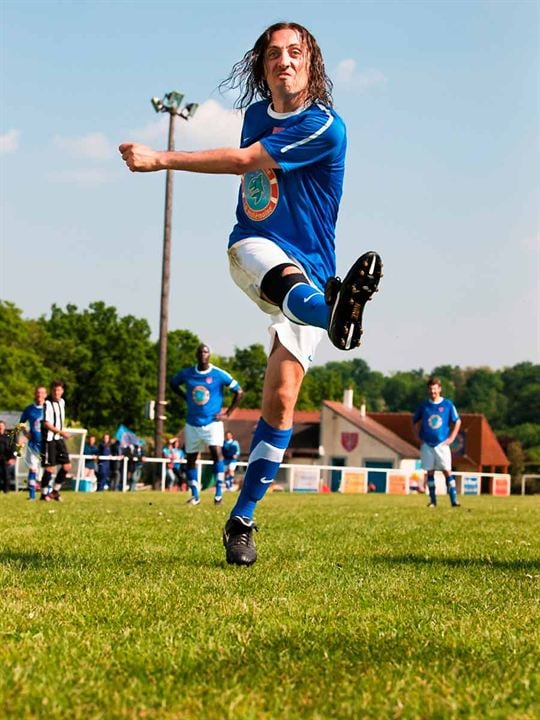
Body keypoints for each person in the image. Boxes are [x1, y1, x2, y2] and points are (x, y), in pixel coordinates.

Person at [120, 22, 382, 565]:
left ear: (312, 63)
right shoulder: (256, 116)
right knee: (281, 275)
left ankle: (241, 520)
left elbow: (244, 164)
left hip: (315, 270)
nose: (283, 61)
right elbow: (252, 179)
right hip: (254, 247)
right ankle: (333, 311)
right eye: (272, 54)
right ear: (261, 66)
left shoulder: (325, 126)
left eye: (295, 52)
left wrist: (160, 158)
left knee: (282, 399)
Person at [170, 344, 243, 506]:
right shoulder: (188, 373)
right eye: (200, 352)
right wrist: (185, 397)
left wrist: (227, 413)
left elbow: (239, 391)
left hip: (213, 423)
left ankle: (218, 495)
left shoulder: (218, 374)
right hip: (192, 423)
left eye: (206, 351)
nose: (203, 354)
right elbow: (173, 383)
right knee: (191, 458)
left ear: (209, 355)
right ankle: (195, 495)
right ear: (196, 355)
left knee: (217, 453)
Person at [412, 377, 462, 508]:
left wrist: (451, 438)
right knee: (429, 472)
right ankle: (432, 501)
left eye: (434, 389)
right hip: (427, 444)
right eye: (430, 389)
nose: (432, 392)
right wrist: (418, 437)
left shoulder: (447, 405)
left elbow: (457, 421)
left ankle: (454, 500)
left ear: (439, 389)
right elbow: (414, 421)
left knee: (447, 470)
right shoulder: (424, 406)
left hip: (442, 444)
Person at [40, 380, 72, 502]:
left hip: (58, 439)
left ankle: (55, 491)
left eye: (58, 390)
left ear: (62, 391)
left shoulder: (62, 402)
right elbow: (46, 423)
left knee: (67, 466)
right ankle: (43, 494)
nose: (56, 392)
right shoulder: (47, 404)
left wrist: (60, 433)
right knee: (49, 468)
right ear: (51, 391)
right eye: (54, 390)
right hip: (49, 440)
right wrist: (61, 432)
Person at [19, 385, 47, 499]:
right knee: (32, 469)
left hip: (47, 444)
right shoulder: (29, 409)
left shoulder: (49, 408)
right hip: (33, 444)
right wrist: (26, 433)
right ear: (35, 394)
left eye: (42, 393)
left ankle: (46, 493)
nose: (39, 395)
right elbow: (21, 423)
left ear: (45, 395)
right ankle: (32, 495)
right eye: (37, 393)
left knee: (48, 469)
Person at [0, 420, 17, 494]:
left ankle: (6, 490)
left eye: (1, 426)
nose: (0, 427)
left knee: (6, 475)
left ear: (4, 427)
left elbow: (13, 448)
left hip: (6, 458)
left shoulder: (8, 437)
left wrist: (12, 458)